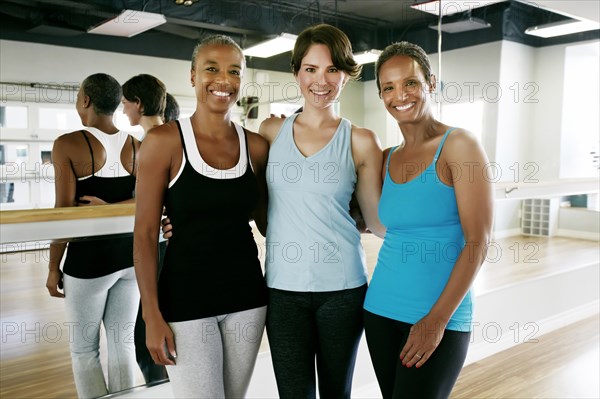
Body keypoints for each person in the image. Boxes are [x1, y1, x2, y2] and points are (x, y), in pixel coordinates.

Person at [133, 34, 269, 398]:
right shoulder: (163, 141)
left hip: (248, 299)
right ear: (193, 76)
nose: (223, 80)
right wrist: (151, 314)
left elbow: (272, 222)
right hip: (185, 301)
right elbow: (145, 235)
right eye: (212, 68)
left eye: (234, 71)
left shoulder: (256, 146)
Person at [258, 23, 385, 398]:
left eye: (332, 69)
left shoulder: (361, 140)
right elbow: (247, 199)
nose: (321, 80)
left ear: (346, 75)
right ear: (297, 73)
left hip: (343, 290)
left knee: (335, 393)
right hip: (282, 291)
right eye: (311, 69)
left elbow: (377, 222)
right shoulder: (269, 131)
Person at [362, 41, 494, 398]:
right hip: (379, 310)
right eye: (388, 87)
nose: (399, 95)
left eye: (410, 83)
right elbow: (365, 220)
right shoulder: (386, 158)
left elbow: (478, 242)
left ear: (430, 83)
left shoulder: (459, 144)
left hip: (438, 318)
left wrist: (435, 322)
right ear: (381, 95)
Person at [45, 73, 141, 399]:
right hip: (131, 261)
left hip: (89, 263)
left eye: (77, 96)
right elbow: (149, 199)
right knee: (122, 344)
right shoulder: (137, 146)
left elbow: (64, 212)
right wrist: (114, 207)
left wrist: (52, 266)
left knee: (84, 352)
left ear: (85, 100)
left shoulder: (68, 144)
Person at [121, 73, 172, 384]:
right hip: (159, 247)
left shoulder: (155, 142)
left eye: (126, 104)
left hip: (160, 250)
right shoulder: (165, 137)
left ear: (138, 104)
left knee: (148, 338)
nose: (124, 111)